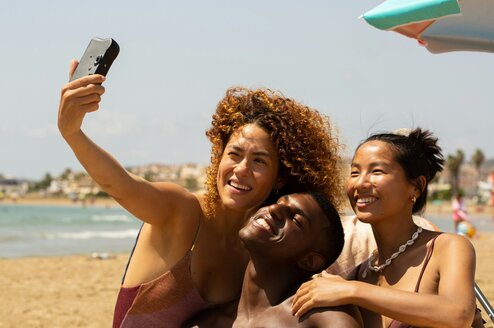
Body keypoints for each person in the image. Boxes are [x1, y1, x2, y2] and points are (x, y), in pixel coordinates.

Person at [57, 61, 343, 328]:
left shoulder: (261, 248)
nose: (241, 170)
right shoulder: (182, 211)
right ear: (219, 157)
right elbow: (120, 184)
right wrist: (73, 133)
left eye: (259, 161)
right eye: (234, 154)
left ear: (280, 176)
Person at [292, 128, 477, 327]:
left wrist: (354, 291)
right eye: (354, 172)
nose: (360, 183)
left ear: (416, 186)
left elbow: (458, 314)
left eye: (376, 171)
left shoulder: (447, 247)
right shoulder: (358, 274)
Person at [187, 192, 362, 327]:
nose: (273, 210)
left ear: (309, 261)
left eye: (296, 219)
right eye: (278, 203)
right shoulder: (205, 323)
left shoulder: (324, 315)